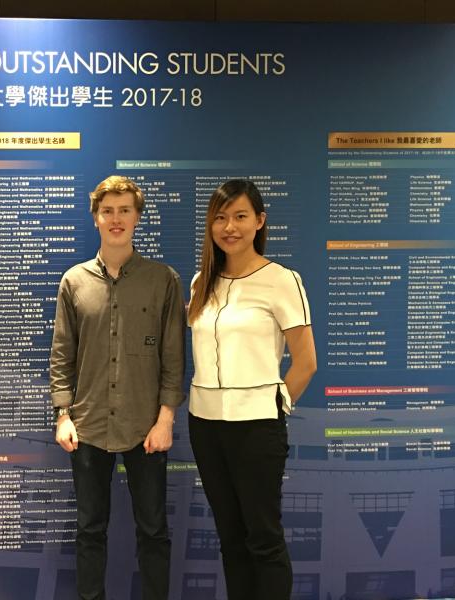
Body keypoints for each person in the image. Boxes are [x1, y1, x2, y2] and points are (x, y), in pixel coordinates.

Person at [50, 175, 185, 600]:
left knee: (153, 530)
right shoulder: (73, 282)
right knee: (90, 530)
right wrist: (63, 414)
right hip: (87, 427)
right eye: (108, 210)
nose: (116, 218)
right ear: (95, 217)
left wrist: (165, 418)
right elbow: (61, 354)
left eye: (125, 210)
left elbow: (173, 357)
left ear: (137, 217)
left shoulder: (162, 279)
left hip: (146, 427)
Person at [186, 179, 317, 600]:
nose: (230, 227)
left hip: (257, 426)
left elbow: (306, 363)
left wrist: (273, 408)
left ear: (259, 221)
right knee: (230, 535)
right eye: (220, 218)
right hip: (205, 425)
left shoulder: (281, 280)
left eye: (240, 216)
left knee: (263, 536)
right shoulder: (199, 283)